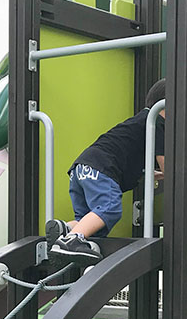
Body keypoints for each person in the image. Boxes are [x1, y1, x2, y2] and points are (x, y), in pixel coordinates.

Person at [48, 78, 166, 262]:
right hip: (101, 168)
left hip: (82, 168)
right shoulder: (155, 121)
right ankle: (71, 240)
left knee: (91, 221)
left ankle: (66, 229)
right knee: (110, 209)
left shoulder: (139, 121)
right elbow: (168, 165)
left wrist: (150, 174)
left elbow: (128, 154)